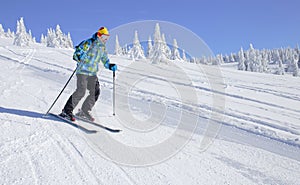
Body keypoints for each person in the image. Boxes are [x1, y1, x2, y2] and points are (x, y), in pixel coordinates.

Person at [60, 27, 117, 121]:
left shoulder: (102, 48)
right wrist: (80, 56)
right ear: (99, 35)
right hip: (82, 71)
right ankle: (66, 111)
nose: (105, 39)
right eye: (103, 37)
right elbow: (76, 54)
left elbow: (105, 60)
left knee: (96, 92)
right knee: (81, 91)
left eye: (107, 37)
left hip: (92, 73)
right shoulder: (88, 43)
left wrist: (110, 65)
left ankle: (84, 111)